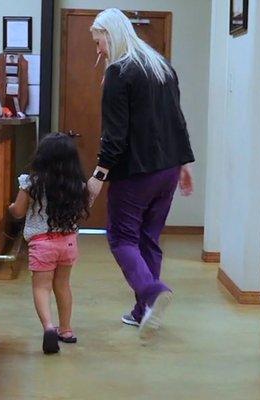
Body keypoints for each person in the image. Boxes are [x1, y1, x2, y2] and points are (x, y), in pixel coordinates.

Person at [87, 8, 195, 339]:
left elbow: (115, 136)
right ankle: (142, 311)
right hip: (167, 170)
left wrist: (98, 175)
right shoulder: (161, 66)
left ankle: (152, 293)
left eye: (99, 41)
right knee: (148, 239)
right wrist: (185, 164)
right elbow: (177, 120)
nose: (98, 50)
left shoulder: (120, 72)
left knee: (121, 238)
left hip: (136, 172)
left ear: (111, 34)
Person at [9, 133, 89, 354]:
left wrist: (9, 208)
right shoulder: (77, 185)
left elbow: (18, 211)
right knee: (63, 285)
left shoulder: (31, 183)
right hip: (68, 243)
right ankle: (66, 330)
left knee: (41, 287)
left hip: (42, 244)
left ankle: (48, 327)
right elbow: (81, 212)